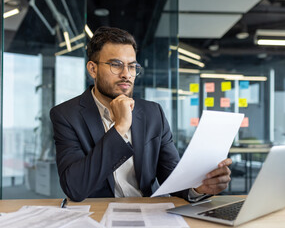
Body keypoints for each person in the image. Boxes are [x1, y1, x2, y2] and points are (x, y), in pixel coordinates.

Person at [50, 26, 232, 202]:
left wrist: (198, 188)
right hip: (98, 215)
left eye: (132, 67)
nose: (126, 74)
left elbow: (173, 178)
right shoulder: (67, 115)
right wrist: (120, 128)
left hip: (147, 212)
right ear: (93, 69)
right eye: (116, 65)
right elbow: (75, 188)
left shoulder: (153, 114)